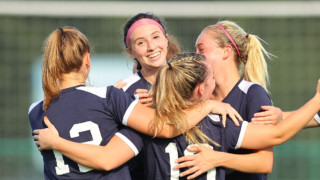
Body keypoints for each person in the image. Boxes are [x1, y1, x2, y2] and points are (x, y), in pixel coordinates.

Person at [33, 53, 320, 180]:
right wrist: (316, 101)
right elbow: (277, 135)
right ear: (200, 90)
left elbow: (107, 157)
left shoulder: (148, 126)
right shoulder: (217, 122)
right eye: (210, 81)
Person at [28, 27, 240, 179]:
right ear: (87, 60)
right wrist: (207, 105)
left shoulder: (36, 111)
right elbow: (165, 129)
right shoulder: (110, 97)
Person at [119, 12, 182, 179]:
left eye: (156, 37)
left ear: (166, 39)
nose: (152, 47)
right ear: (131, 52)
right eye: (141, 43)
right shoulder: (125, 92)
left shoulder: (190, 80)